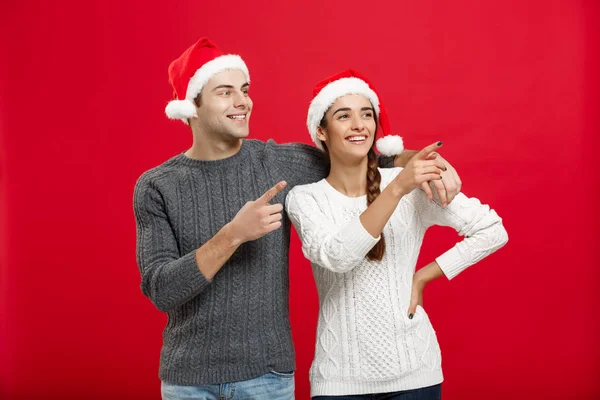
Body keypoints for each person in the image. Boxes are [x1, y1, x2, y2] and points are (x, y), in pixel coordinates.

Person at [134, 38, 463, 400]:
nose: (242, 102)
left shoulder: (278, 162)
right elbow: (161, 290)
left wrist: (426, 162)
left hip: (267, 377)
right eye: (225, 92)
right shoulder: (157, 186)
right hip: (188, 380)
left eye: (244, 90)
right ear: (191, 106)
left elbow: (360, 154)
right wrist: (232, 235)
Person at [285, 69, 508, 399]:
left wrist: (422, 277)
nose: (359, 124)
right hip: (339, 380)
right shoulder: (306, 198)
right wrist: (399, 187)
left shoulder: (411, 186)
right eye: (343, 116)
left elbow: (492, 230)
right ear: (322, 130)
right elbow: (338, 256)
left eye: (366, 114)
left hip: (416, 373)